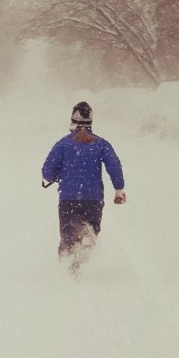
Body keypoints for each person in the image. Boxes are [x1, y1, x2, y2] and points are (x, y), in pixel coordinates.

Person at [41, 101, 125, 267]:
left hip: (68, 199)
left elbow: (47, 171)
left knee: (68, 236)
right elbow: (114, 166)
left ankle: (67, 268)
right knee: (91, 230)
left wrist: (54, 176)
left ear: (73, 121)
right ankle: (86, 247)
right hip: (93, 199)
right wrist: (119, 190)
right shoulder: (101, 144)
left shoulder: (63, 144)